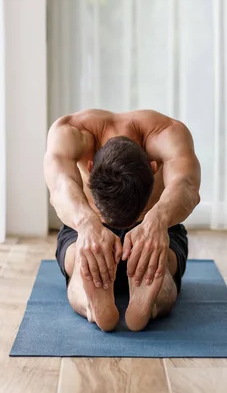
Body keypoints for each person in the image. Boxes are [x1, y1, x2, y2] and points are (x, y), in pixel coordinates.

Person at [44, 109, 201, 332]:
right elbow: (60, 186)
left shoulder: (169, 134)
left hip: (152, 227)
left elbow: (186, 185)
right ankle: (153, 296)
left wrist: (157, 219)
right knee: (159, 265)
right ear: (91, 167)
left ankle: (92, 296)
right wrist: (87, 223)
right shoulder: (69, 133)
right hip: (91, 227)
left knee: (80, 264)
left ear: (151, 167)